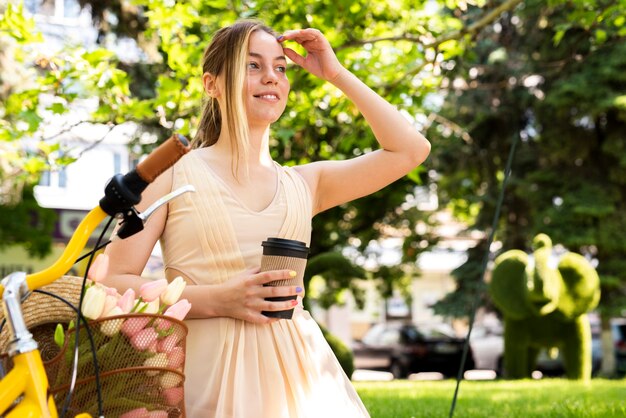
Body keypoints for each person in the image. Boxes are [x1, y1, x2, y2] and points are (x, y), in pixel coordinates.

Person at [103, 19, 430, 417]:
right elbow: (113, 283)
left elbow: (410, 150)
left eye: (280, 67)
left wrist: (335, 73)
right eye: (253, 65)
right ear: (212, 84)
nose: (271, 77)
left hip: (302, 381)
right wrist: (215, 300)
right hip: (208, 378)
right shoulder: (172, 172)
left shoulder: (307, 183)